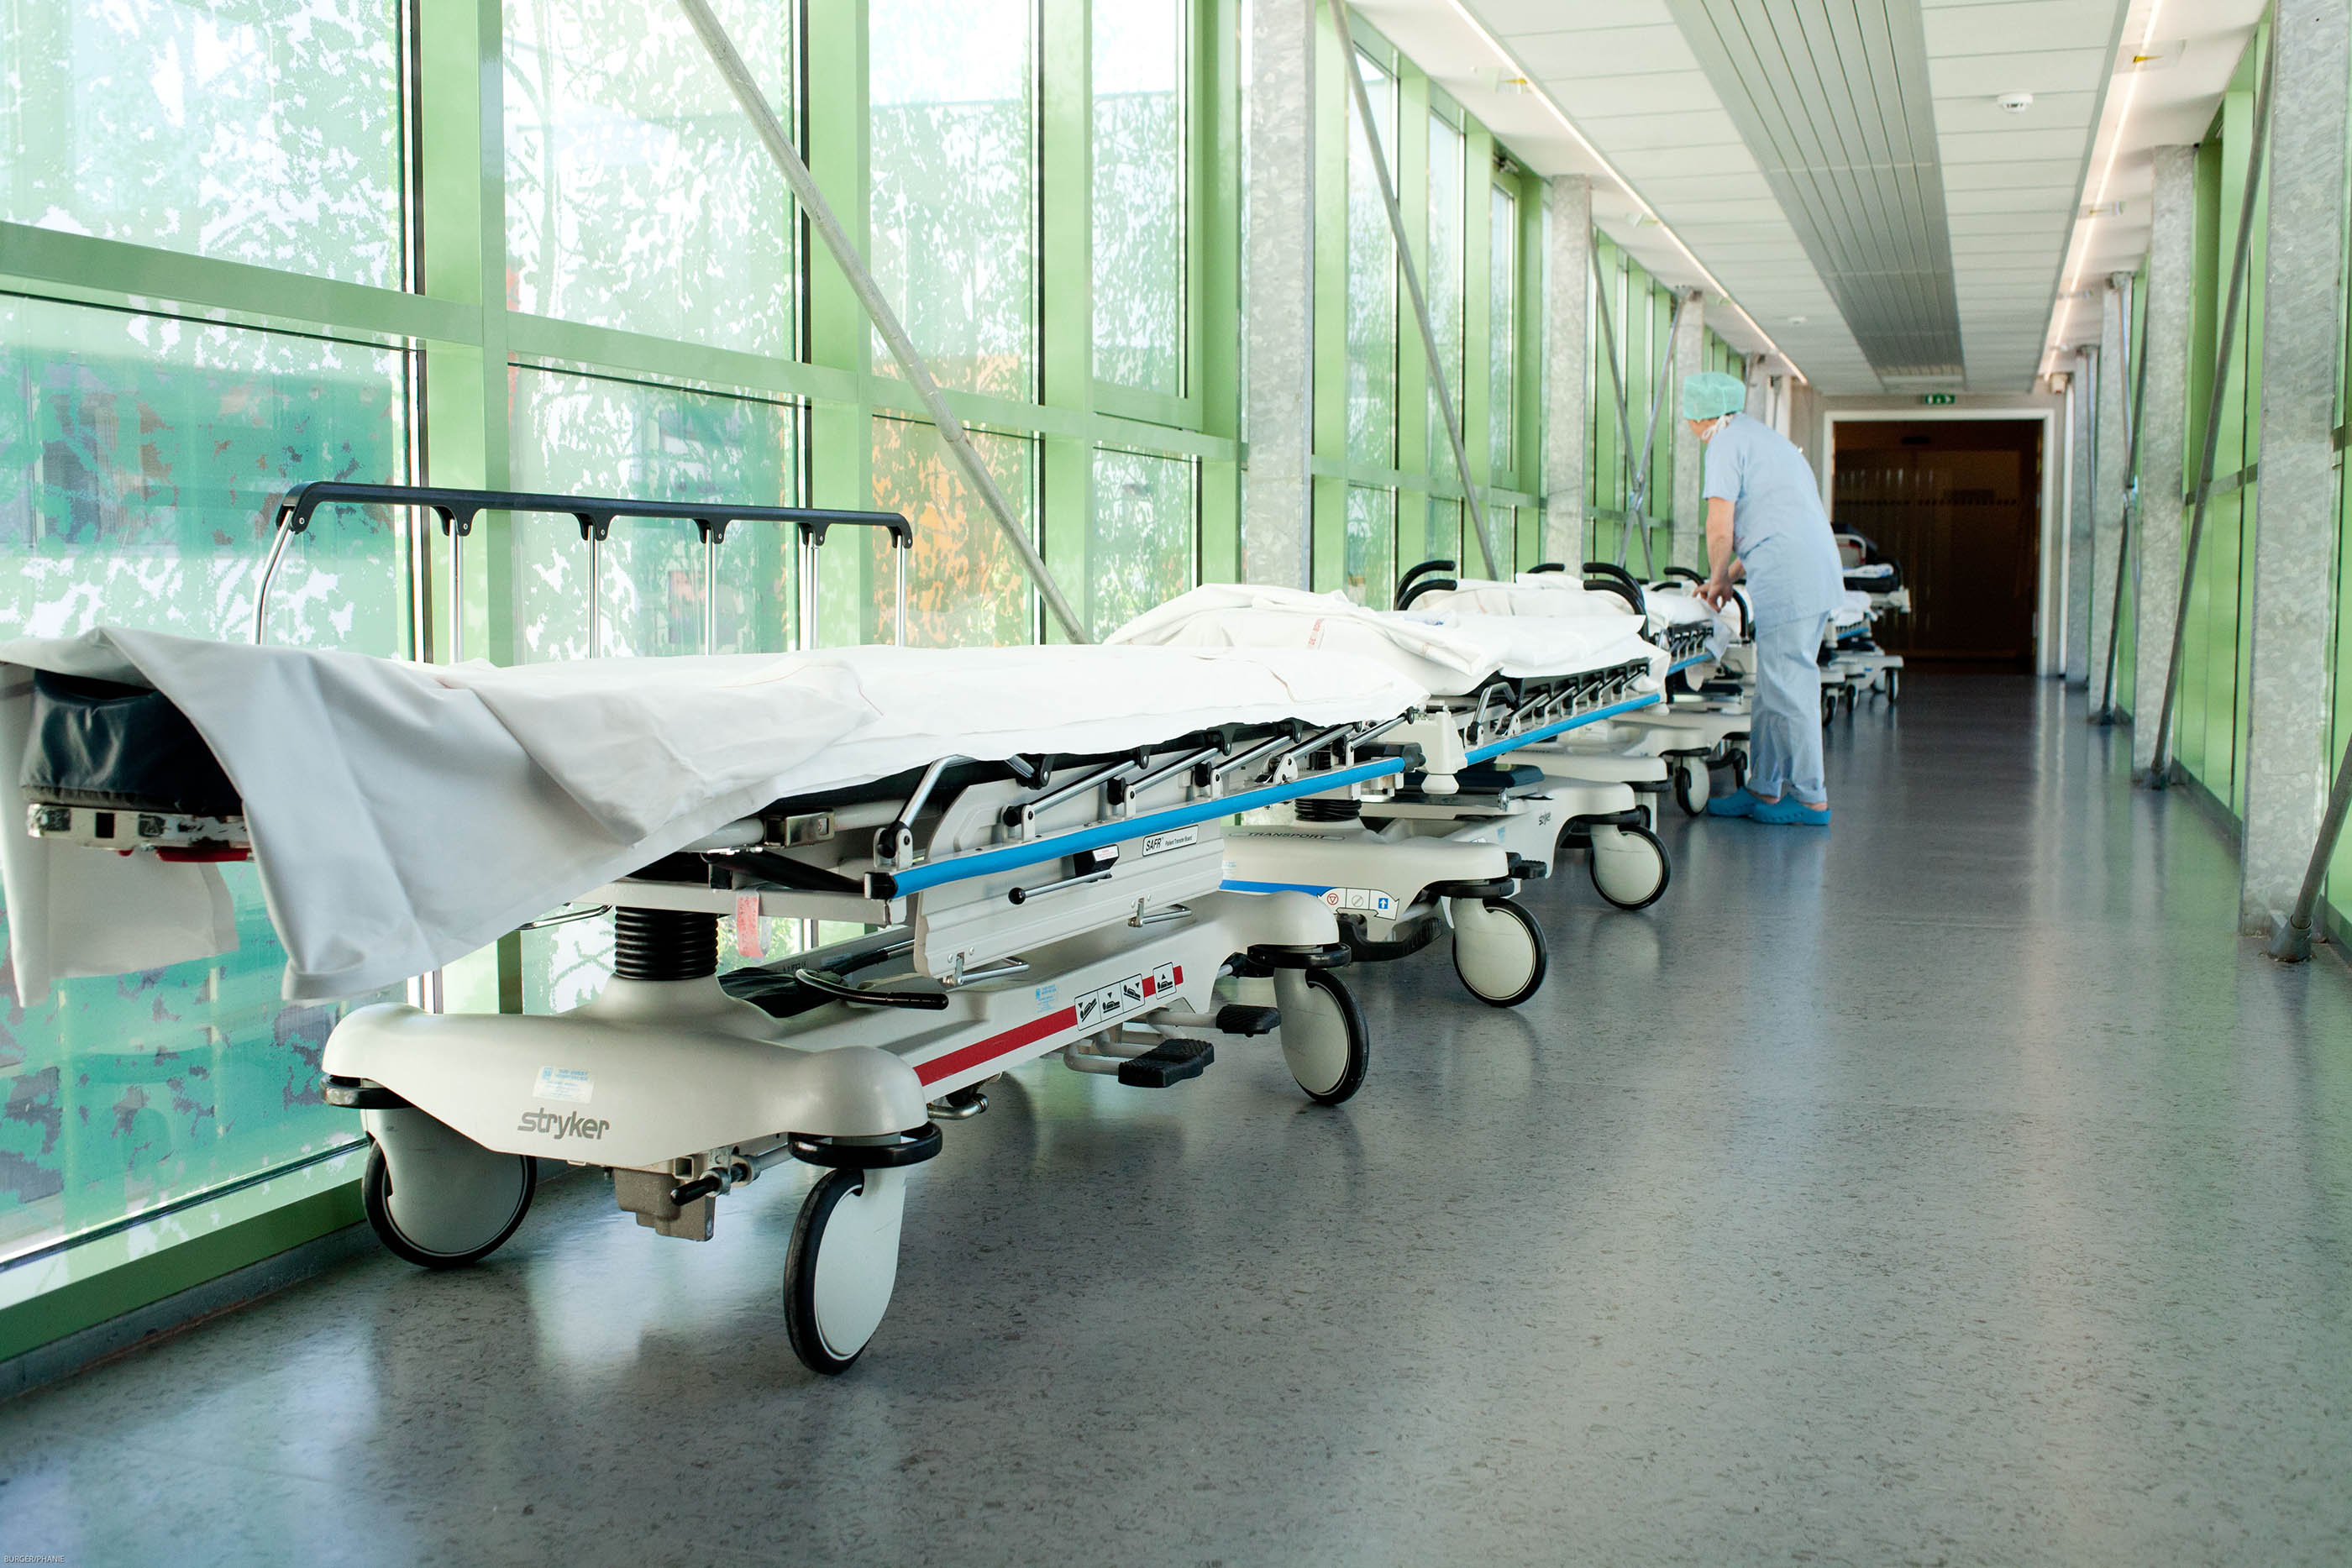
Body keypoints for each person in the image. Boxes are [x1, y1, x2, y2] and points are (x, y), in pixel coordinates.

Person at [1679, 370, 1845, 826]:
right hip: (1805, 567)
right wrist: (1729, 577)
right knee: (1773, 688)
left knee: (1790, 686)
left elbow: (1720, 526)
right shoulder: (1764, 439)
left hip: (1792, 576)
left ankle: (1810, 798)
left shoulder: (1724, 444)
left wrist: (1717, 578)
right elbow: (1772, 523)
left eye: (1689, 416)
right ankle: (1763, 787)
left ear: (1701, 414)